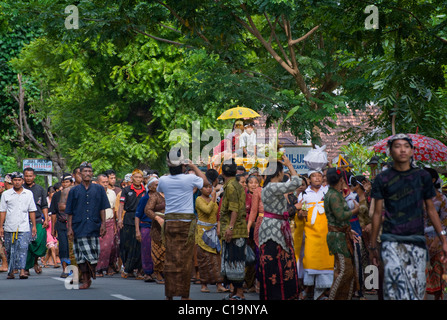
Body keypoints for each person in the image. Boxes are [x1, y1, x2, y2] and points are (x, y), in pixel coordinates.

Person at [370, 133, 447, 300]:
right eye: (397, 146)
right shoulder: (382, 179)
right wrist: (372, 245)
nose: (402, 150)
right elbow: (376, 213)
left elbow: (432, 210)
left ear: (412, 151)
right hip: (391, 241)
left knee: (418, 289)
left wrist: (443, 238)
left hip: (417, 241)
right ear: (390, 151)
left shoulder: (423, 177)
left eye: (406, 146)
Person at [157, 149, 207, 300]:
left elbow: (161, 191)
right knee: (185, 260)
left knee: (171, 258)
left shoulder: (163, 180)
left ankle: (169, 295)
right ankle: (184, 296)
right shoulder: (189, 179)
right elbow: (205, 182)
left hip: (170, 222)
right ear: (183, 166)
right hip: (186, 223)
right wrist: (194, 167)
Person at [258, 155, 302, 300]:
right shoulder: (272, 186)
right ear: (278, 172)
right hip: (274, 230)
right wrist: (290, 165)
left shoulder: (269, 187)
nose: (284, 174)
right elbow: (297, 182)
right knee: (276, 267)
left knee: (277, 266)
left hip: (275, 227)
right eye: (282, 171)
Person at [66, 162, 110, 289]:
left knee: (93, 255)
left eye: (89, 171)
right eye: (85, 171)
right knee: (81, 256)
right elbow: (69, 211)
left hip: (93, 225)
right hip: (78, 227)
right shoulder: (74, 191)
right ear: (80, 173)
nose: (87, 174)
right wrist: (69, 228)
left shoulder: (99, 189)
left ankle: (90, 276)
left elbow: (102, 208)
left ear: (92, 173)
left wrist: (104, 225)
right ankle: (85, 279)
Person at [297, 169, 334, 300]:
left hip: (326, 233)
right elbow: (300, 212)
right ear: (309, 179)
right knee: (310, 260)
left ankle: (322, 292)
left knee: (326, 260)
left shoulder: (328, 192)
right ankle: (309, 290)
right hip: (310, 233)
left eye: (320, 176)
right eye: (314, 176)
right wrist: (301, 213)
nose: (317, 178)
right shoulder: (304, 194)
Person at [324, 168, 358, 300]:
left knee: (347, 271)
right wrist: (355, 210)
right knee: (345, 271)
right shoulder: (333, 195)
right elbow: (341, 215)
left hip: (341, 234)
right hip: (338, 237)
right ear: (341, 180)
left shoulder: (334, 194)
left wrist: (348, 229)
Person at [219, 159, 248, 300]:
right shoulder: (235, 185)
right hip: (237, 228)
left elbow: (234, 209)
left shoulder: (231, 187)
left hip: (235, 230)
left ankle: (240, 293)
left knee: (236, 261)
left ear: (222, 173)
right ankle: (235, 292)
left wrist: (230, 227)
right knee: (232, 260)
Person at [0, 172, 37, 279]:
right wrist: (0, 226)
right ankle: (11, 271)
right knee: (10, 249)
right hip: (9, 226)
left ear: (22, 181)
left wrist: (34, 226)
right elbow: (3, 211)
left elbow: (32, 210)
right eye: (15, 180)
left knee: (23, 248)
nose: (17, 182)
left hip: (24, 226)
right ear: (12, 181)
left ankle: (22, 271)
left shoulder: (28, 193)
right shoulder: (6, 194)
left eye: (19, 180)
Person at [195, 181, 228, 293]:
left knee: (216, 258)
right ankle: (204, 284)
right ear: (200, 189)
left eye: (210, 187)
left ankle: (219, 284)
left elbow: (217, 214)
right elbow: (208, 210)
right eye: (205, 187)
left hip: (214, 231)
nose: (208, 189)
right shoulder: (199, 199)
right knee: (204, 259)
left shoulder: (214, 200)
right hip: (203, 232)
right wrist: (214, 198)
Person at [423, 167, 447, 300]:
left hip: (437, 242)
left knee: (438, 276)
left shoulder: (441, 198)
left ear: (432, 180)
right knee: (421, 278)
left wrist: (438, 240)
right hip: (421, 242)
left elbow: (445, 221)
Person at [117, 169, 146, 279]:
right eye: (136, 177)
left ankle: (139, 270)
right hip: (129, 219)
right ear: (132, 179)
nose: (138, 179)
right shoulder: (126, 190)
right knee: (126, 245)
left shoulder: (145, 191)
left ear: (142, 179)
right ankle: (128, 269)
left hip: (141, 220)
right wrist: (120, 219)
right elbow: (121, 205)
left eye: (140, 177)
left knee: (139, 246)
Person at [23, 167, 49, 275]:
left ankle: (35, 262)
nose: (28, 178)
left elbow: (44, 205)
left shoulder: (40, 189)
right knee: (26, 244)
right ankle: (26, 268)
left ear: (34, 176)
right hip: (24, 220)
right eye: (26, 176)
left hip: (38, 219)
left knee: (39, 242)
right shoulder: (21, 188)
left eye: (30, 176)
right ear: (23, 177)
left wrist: (46, 218)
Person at [135, 176, 158, 282]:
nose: (158, 187)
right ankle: (148, 272)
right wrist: (137, 231)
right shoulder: (145, 198)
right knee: (146, 250)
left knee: (158, 249)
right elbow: (138, 215)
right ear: (150, 187)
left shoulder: (162, 197)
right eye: (156, 185)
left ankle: (158, 272)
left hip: (158, 226)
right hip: (146, 226)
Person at [144, 176, 166, 284]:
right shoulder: (155, 196)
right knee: (158, 253)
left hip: (171, 228)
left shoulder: (173, 195)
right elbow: (147, 210)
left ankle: (167, 274)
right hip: (157, 228)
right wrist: (157, 218)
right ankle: (158, 273)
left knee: (170, 252)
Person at [96, 173, 118, 277]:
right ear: (97, 183)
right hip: (98, 222)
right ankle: (99, 268)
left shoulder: (112, 193)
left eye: (106, 182)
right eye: (103, 182)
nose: (105, 184)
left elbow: (113, 209)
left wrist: (114, 224)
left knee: (112, 246)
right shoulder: (94, 193)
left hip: (110, 222)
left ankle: (109, 266)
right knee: (102, 247)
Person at [43, 184, 60, 268]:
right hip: (47, 226)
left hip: (54, 224)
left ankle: (45, 262)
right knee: (52, 246)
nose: (53, 193)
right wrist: (45, 219)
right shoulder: (45, 201)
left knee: (52, 246)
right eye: (52, 192)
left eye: (54, 192)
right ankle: (55, 263)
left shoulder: (58, 200)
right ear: (48, 193)